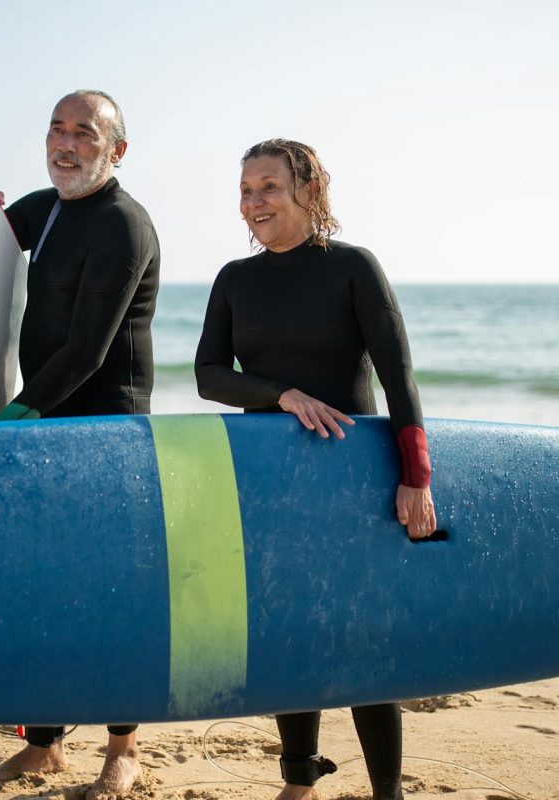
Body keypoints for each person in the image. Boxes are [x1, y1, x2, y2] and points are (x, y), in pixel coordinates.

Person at [194, 139, 437, 800]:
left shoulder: (352, 268)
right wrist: (281, 395)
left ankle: (387, 791)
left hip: (350, 478)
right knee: (288, 632)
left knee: (360, 635)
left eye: (268, 186)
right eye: (246, 190)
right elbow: (208, 376)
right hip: (268, 479)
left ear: (308, 189)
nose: (254, 202)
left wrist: (416, 477)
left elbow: (398, 377)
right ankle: (299, 780)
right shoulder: (234, 280)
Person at [0, 90, 159, 799]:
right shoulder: (41, 210)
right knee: (40, 584)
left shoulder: (123, 225)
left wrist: (17, 411)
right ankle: (45, 745)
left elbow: (89, 347)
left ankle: (124, 747)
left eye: (85, 132)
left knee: (111, 593)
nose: (66, 143)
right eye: (57, 128)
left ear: (117, 148)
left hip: (107, 428)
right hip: (45, 421)